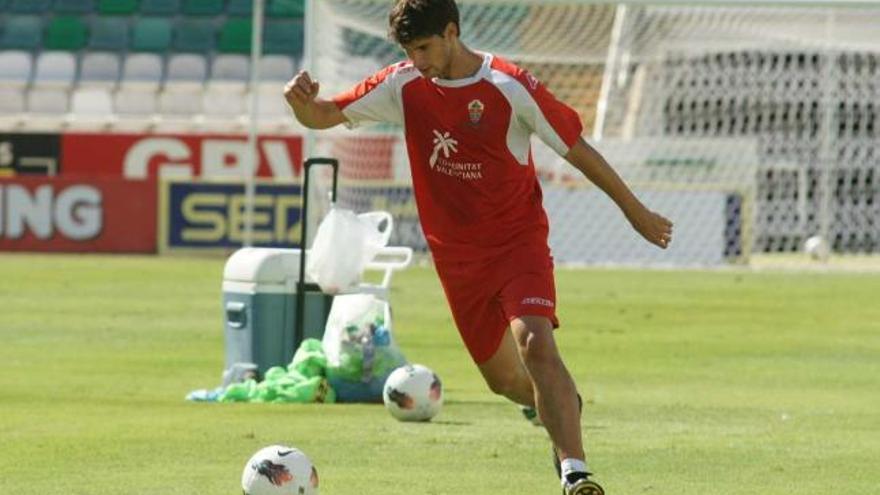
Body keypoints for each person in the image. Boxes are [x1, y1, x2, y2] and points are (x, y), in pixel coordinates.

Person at [284, 1, 673, 493]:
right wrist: (301, 106)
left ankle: (575, 471)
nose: (418, 60)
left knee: (534, 340)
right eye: (409, 50)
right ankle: (558, 406)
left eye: (424, 48)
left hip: (517, 242)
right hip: (456, 258)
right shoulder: (403, 84)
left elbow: (577, 148)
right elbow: (324, 115)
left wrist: (634, 210)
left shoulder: (509, 87)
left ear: (451, 32)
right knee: (505, 382)